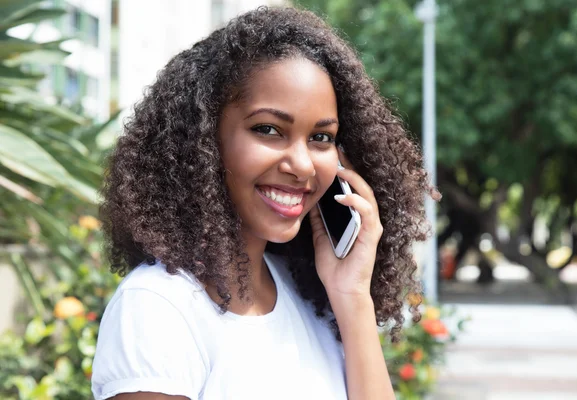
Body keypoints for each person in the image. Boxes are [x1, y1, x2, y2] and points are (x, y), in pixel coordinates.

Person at [92, 6, 435, 400]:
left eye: (321, 138)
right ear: (204, 140)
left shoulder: (306, 294)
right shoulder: (158, 308)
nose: (303, 165)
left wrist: (352, 295)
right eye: (268, 129)